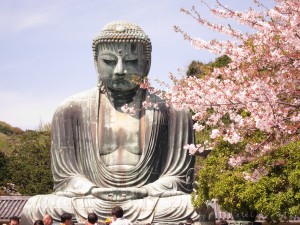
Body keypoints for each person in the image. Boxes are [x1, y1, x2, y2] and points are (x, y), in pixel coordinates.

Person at [21, 21, 198, 225]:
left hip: (148, 199)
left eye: (131, 61)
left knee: (194, 206)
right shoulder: (70, 109)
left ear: (147, 64)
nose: (120, 70)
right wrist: (92, 190)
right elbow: (65, 177)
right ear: (96, 63)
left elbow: (179, 176)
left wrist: (146, 190)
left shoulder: (174, 109)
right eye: (109, 61)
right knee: (36, 206)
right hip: (91, 200)